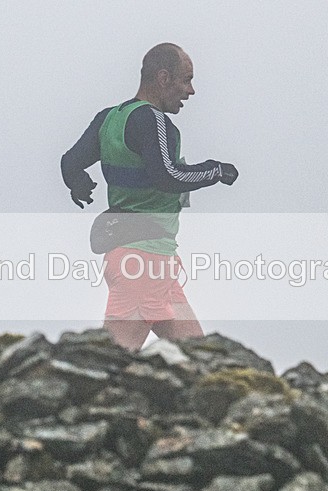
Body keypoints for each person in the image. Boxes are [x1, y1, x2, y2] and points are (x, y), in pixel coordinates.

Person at [60, 43, 238, 350]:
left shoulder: (109, 119)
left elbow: (69, 162)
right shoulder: (152, 120)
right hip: (141, 264)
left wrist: (78, 183)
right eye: (186, 80)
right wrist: (216, 170)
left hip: (155, 263)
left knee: (201, 359)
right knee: (112, 359)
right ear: (164, 77)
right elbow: (168, 176)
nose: (191, 90)